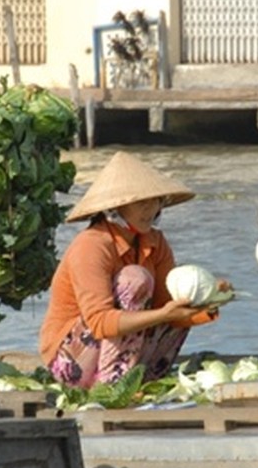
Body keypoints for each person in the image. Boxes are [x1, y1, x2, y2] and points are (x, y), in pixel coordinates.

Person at [39, 151, 220, 387]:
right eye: (141, 202)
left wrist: (210, 298)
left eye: (155, 201)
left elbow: (168, 307)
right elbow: (100, 322)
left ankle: (137, 379)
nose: (150, 209)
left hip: (127, 357)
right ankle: (111, 387)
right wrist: (165, 314)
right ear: (117, 207)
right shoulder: (92, 245)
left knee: (186, 293)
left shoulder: (155, 242)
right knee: (135, 279)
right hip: (73, 364)